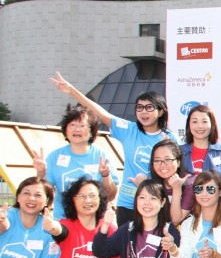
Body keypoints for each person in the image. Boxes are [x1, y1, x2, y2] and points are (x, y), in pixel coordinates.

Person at [50, 71, 172, 225]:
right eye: (139, 107)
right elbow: (100, 113)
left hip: (156, 204)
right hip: (128, 204)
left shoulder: (170, 138)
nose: (143, 112)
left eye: (149, 107)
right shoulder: (129, 130)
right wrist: (72, 91)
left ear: (160, 111)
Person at [34, 104, 118, 220]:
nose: (77, 129)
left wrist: (105, 175)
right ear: (65, 129)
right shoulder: (54, 157)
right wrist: (41, 173)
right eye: (72, 125)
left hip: (95, 220)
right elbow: (43, 193)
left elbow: (111, 196)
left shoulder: (102, 156)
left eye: (82, 125)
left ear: (92, 131)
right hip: (63, 220)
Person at [146, 139, 193, 225]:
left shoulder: (190, 184)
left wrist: (177, 189)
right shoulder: (152, 184)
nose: (163, 165)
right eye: (157, 160)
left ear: (178, 162)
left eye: (168, 160)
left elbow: (175, 220)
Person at [180, 104, 221, 182]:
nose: (200, 126)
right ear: (189, 125)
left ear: (212, 124)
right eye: (195, 121)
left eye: (204, 121)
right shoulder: (179, 152)